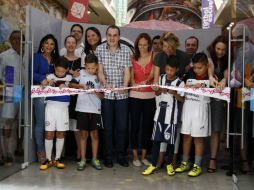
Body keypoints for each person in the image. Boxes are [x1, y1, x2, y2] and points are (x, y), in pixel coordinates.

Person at [142, 57, 184, 176]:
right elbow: (156, 93)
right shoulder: (160, 78)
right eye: (167, 69)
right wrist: (158, 90)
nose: (169, 72)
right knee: (156, 141)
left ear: (177, 70)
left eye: (172, 70)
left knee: (170, 143)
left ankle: (169, 164)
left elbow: (182, 99)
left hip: (171, 118)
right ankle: (153, 165)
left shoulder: (180, 83)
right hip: (159, 116)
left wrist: (174, 93)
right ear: (165, 68)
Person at [97, 25, 132, 168]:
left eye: (115, 35)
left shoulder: (126, 50)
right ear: (106, 36)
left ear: (119, 36)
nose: (112, 38)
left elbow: (127, 71)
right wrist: (105, 84)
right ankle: (108, 156)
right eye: (109, 35)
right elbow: (99, 71)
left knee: (122, 127)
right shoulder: (99, 49)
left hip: (122, 95)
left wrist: (125, 85)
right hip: (107, 94)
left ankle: (121, 155)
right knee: (108, 127)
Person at [153, 32, 189, 168]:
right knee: (161, 126)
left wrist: (179, 91)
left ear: (175, 46)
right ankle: (161, 157)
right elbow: (156, 80)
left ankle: (173, 157)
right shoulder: (159, 57)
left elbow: (188, 75)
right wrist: (157, 88)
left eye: (169, 47)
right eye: (164, 46)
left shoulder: (183, 56)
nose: (166, 49)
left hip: (177, 97)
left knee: (175, 127)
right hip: (162, 97)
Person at [175, 52, 210, 177]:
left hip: (200, 110)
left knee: (198, 138)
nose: (197, 70)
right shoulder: (188, 75)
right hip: (187, 108)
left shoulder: (211, 78)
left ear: (207, 66)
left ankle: (197, 165)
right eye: (195, 67)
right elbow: (180, 90)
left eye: (200, 68)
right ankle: (185, 162)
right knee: (186, 136)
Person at [70, 54, 103, 171]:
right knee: (83, 135)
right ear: (85, 66)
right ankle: (83, 159)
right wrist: (80, 86)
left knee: (95, 135)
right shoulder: (81, 73)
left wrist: (95, 91)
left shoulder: (99, 77)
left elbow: (102, 97)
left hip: (95, 110)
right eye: (88, 68)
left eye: (93, 68)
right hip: (82, 109)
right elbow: (71, 84)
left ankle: (94, 159)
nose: (90, 70)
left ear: (97, 67)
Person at [40, 57, 72, 170]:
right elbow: (42, 86)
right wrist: (47, 83)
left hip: (63, 109)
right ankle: (48, 159)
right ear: (54, 68)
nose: (59, 73)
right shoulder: (50, 77)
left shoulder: (70, 78)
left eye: (62, 71)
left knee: (61, 134)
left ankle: (57, 158)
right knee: (49, 134)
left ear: (67, 69)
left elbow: (75, 92)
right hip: (50, 108)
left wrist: (67, 87)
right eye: (58, 70)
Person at [33, 34, 59, 169]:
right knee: (41, 123)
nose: (49, 46)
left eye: (52, 44)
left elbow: (60, 73)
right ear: (42, 45)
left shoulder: (56, 59)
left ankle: (50, 152)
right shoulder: (37, 57)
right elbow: (31, 73)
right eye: (46, 43)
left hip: (53, 96)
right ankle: (41, 151)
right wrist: (42, 78)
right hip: (40, 94)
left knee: (51, 125)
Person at [129, 33, 155, 167]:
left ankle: (144, 156)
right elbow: (131, 76)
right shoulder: (133, 57)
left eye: (145, 45)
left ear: (149, 44)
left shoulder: (153, 56)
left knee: (147, 127)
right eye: (140, 45)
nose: (142, 47)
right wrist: (134, 83)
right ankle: (135, 156)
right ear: (137, 45)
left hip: (150, 96)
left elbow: (153, 74)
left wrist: (147, 81)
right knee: (134, 126)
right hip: (135, 96)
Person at [0, 30, 24, 164]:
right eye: (13, 38)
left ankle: (17, 149)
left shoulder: (26, 55)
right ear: (9, 39)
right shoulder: (5, 56)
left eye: (19, 38)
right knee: (7, 121)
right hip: (10, 89)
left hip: (24, 91)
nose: (16, 41)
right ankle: (5, 153)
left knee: (21, 121)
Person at [206, 35, 228, 173]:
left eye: (223, 50)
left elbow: (226, 74)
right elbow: (210, 72)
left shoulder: (228, 61)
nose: (220, 52)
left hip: (219, 100)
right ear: (214, 47)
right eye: (218, 48)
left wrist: (224, 80)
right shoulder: (209, 57)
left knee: (215, 129)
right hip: (206, 97)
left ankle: (212, 159)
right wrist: (212, 78)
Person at [62, 35, 81, 161]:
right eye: (68, 42)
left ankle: (79, 151)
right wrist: (70, 73)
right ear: (65, 44)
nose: (70, 44)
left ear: (76, 44)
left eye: (73, 42)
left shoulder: (80, 61)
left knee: (75, 125)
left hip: (75, 97)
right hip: (62, 97)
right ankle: (61, 152)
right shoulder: (59, 59)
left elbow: (81, 78)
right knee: (61, 124)